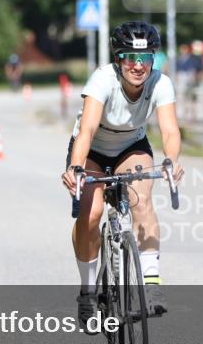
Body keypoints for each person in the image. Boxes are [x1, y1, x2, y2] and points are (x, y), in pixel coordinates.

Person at [61, 21, 184, 327]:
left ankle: (151, 284)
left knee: (142, 201)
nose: (138, 66)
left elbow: (170, 130)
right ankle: (88, 291)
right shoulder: (103, 79)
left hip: (131, 145)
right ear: (118, 59)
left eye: (145, 58)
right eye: (130, 58)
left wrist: (171, 160)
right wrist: (75, 167)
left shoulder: (161, 83)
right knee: (91, 215)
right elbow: (87, 130)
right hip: (92, 149)